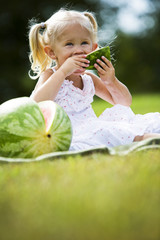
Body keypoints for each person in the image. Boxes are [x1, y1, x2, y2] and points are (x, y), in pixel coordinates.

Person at [28, 9, 160, 150]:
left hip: (92, 126)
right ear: (52, 52)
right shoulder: (50, 75)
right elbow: (35, 106)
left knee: (135, 122)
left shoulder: (88, 79)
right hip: (70, 132)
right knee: (114, 132)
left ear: (93, 48)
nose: (79, 50)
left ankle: (145, 136)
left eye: (84, 43)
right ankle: (146, 140)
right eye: (69, 44)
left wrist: (111, 80)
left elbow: (124, 103)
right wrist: (63, 72)